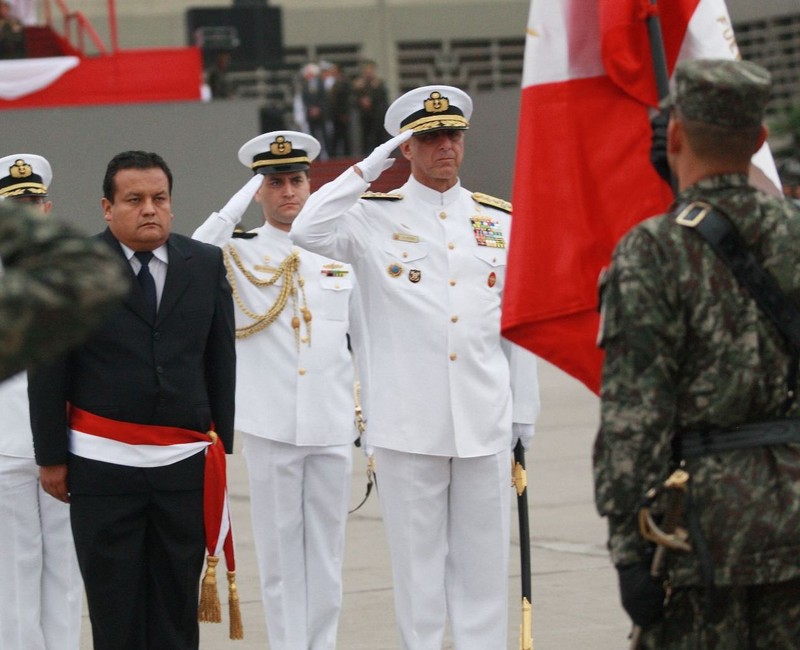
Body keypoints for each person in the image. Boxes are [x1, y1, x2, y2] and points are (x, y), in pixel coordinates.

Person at [290, 85, 541, 650]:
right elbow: (307, 229)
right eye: (427, 138)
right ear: (406, 147)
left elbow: (514, 323)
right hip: (407, 427)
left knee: (482, 575)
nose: (444, 146)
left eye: (452, 134)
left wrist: (524, 411)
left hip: (485, 421)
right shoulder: (369, 218)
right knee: (419, 577)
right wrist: (369, 166)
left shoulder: (497, 220)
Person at [593, 59, 800, 648]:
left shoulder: (653, 251)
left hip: (703, 533)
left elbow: (635, 417)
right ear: (760, 140)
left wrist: (631, 549)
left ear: (675, 135)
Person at [27, 150, 237, 650]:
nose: (150, 209)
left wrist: (221, 445)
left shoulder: (204, 264)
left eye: (159, 198)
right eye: (135, 199)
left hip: (182, 468)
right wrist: (51, 457)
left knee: (175, 605)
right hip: (103, 470)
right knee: (115, 605)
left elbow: (220, 360)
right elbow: (48, 370)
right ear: (106, 207)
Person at [193, 130, 365, 650]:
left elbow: (362, 339)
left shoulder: (339, 249)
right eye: (274, 182)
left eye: (296, 180)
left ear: (311, 185)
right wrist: (239, 198)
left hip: (331, 422)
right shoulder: (239, 251)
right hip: (270, 426)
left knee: (327, 558)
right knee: (280, 557)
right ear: (259, 190)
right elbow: (196, 250)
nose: (288, 191)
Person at [0, 154, 84, 650]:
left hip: (68, 442)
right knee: (15, 574)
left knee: (66, 572)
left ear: (47, 209)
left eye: (34, 202)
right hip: (6, 445)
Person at [0, 162, 129, 381]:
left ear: (47, 209)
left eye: (34, 202)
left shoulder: (61, 273)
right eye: (16, 206)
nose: (27, 212)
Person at [351, 59, 388, 155]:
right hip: (364, 115)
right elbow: (352, 99)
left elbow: (384, 99)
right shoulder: (358, 84)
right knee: (364, 137)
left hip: (376, 114)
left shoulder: (379, 83)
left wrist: (376, 90)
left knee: (377, 136)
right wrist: (361, 99)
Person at [323, 62, 353, 158]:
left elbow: (344, 99)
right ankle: (334, 155)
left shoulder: (343, 82)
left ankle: (346, 154)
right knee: (335, 136)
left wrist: (344, 113)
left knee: (344, 136)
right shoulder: (334, 82)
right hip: (334, 114)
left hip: (342, 113)